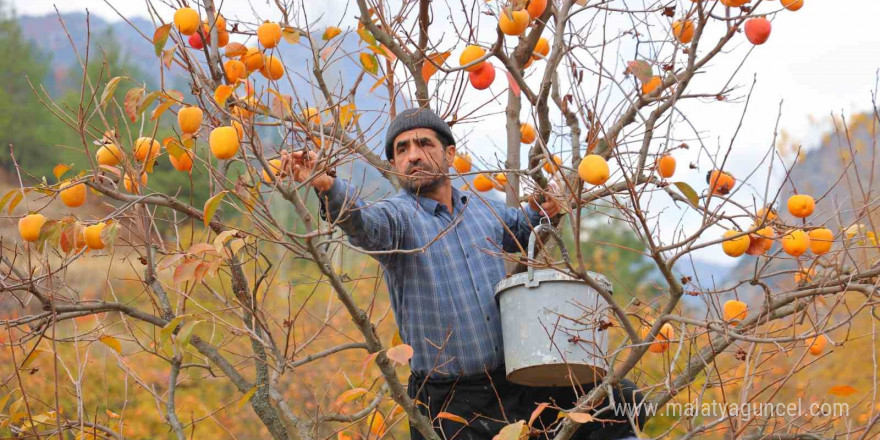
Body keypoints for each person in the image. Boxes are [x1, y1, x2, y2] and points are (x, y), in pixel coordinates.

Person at [282, 107, 645, 439]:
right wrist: (329, 187)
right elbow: (362, 224)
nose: (413, 155)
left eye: (424, 143)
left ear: (449, 154)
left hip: (514, 379)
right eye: (402, 149)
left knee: (625, 404)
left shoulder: (481, 208)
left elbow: (525, 229)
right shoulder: (396, 219)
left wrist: (548, 208)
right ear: (394, 164)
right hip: (448, 401)